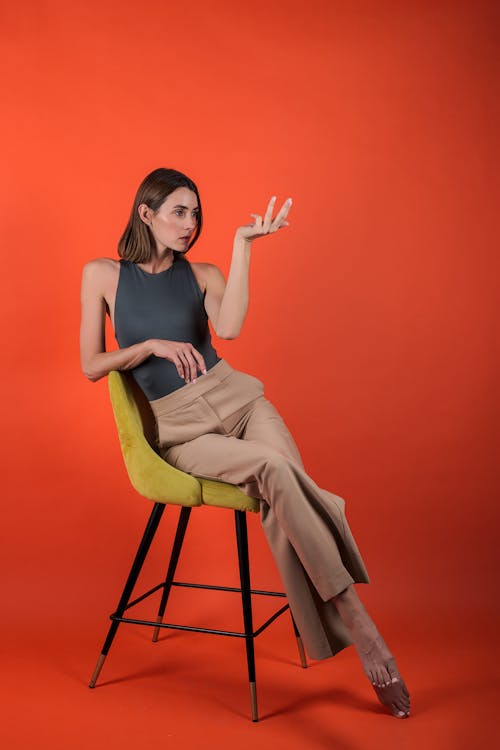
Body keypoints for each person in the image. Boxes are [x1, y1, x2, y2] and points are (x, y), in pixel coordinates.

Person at [79, 167, 410, 719]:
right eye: (179, 211)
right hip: (180, 428)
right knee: (279, 474)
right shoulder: (102, 275)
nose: (190, 224)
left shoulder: (202, 274)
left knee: (280, 480)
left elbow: (228, 330)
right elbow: (91, 365)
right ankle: (361, 624)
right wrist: (154, 345)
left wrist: (242, 245)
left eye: (196, 214)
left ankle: (334, 606)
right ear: (147, 213)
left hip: (240, 400)